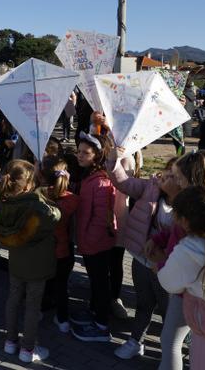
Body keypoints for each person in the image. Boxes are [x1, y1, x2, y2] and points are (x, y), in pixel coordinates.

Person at [105, 146, 178, 359]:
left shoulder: (189, 208)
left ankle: (169, 352)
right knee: (144, 304)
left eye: (174, 175)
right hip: (141, 259)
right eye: (167, 171)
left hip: (167, 268)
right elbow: (124, 182)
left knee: (168, 312)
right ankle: (136, 341)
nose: (166, 176)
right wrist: (114, 159)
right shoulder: (151, 187)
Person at [0, 159, 60, 363]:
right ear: (29, 185)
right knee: (32, 305)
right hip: (36, 263)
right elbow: (55, 217)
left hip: (16, 261)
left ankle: (10, 342)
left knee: (13, 299)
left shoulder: (1, 203)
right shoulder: (35, 206)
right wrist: (47, 200)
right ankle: (28, 349)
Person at [149, 150, 205, 370]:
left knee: (170, 342)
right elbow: (173, 232)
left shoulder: (196, 216)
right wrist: (158, 237)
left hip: (187, 292)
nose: (173, 180)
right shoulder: (199, 208)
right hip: (190, 291)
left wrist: (158, 264)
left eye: (178, 177)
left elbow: (169, 277)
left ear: (192, 180)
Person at [71, 132, 117, 342]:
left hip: (96, 243)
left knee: (100, 283)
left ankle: (101, 326)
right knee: (95, 281)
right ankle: (94, 311)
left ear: (97, 156)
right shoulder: (89, 177)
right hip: (89, 242)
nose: (79, 156)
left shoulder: (101, 183)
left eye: (85, 153)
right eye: (78, 151)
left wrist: (88, 241)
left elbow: (101, 219)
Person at [38, 155, 79, 334]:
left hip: (43, 250)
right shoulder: (73, 199)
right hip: (64, 250)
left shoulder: (38, 197)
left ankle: (39, 310)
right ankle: (62, 318)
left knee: (42, 282)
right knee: (62, 286)